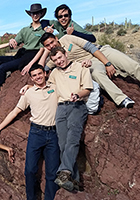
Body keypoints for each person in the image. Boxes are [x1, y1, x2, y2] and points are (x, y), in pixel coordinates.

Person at [0, 64, 59, 200]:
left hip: (54, 133)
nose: (38, 77)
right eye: (34, 75)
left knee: (52, 172)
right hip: (36, 132)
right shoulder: (29, 93)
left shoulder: (55, 87)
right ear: (31, 78)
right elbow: (15, 112)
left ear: (45, 74)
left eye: (40, 74)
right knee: (30, 170)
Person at [40, 32, 140, 108]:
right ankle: (122, 99)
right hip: (91, 62)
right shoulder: (56, 58)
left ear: (56, 38)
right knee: (96, 74)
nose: (51, 46)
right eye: (47, 45)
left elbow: (90, 47)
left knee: (134, 66)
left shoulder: (67, 38)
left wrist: (107, 63)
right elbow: (41, 69)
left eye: (52, 42)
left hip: (101, 52)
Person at [0, 3, 47, 104]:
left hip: (31, 55)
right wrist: (12, 41)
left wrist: (30, 65)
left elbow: (42, 49)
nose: (35, 15)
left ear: (41, 14)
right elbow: (16, 41)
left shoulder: (44, 30)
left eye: (37, 13)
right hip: (21, 53)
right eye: (33, 13)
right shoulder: (25, 29)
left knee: (3, 67)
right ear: (30, 15)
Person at [48, 46, 93, 191]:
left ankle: (64, 173)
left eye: (60, 57)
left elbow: (87, 89)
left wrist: (78, 95)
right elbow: (48, 88)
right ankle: (74, 181)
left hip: (77, 106)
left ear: (66, 54)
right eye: (55, 60)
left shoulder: (81, 67)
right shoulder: (54, 73)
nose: (59, 61)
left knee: (72, 139)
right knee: (62, 144)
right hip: (61, 108)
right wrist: (29, 86)